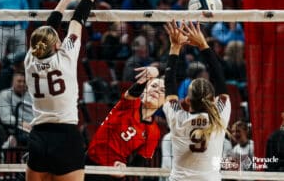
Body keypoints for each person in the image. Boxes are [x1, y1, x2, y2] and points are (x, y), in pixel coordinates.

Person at [24, 0, 116, 181]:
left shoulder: (29, 60)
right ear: (58, 44)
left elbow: (48, 27)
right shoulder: (66, 56)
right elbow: (78, 19)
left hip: (39, 136)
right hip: (66, 136)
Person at [162, 20, 231, 181]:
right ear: (213, 101)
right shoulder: (218, 119)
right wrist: (203, 45)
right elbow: (220, 79)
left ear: (187, 100)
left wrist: (175, 47)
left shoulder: (178, 118)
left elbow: (169, 86)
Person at [85, 66, 165, 181]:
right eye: (154, 86)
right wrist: (152, 73)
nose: (157, 90)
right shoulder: (130, 104)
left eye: (162, 90)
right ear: (144, 91)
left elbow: (139, 163)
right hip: (90, 163)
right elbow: (132, 92)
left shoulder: (154, 132)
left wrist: (125, 171)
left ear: (164, 101)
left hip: (112, 174)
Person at [0, 71, 33, 147]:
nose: (22, 84)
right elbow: (5, 118)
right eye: (19, 81)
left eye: (24, 81)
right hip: (17, 127)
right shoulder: (4, 94)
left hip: (34, 126)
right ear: (13, 82)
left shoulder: (31, 94)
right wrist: (21, 122)